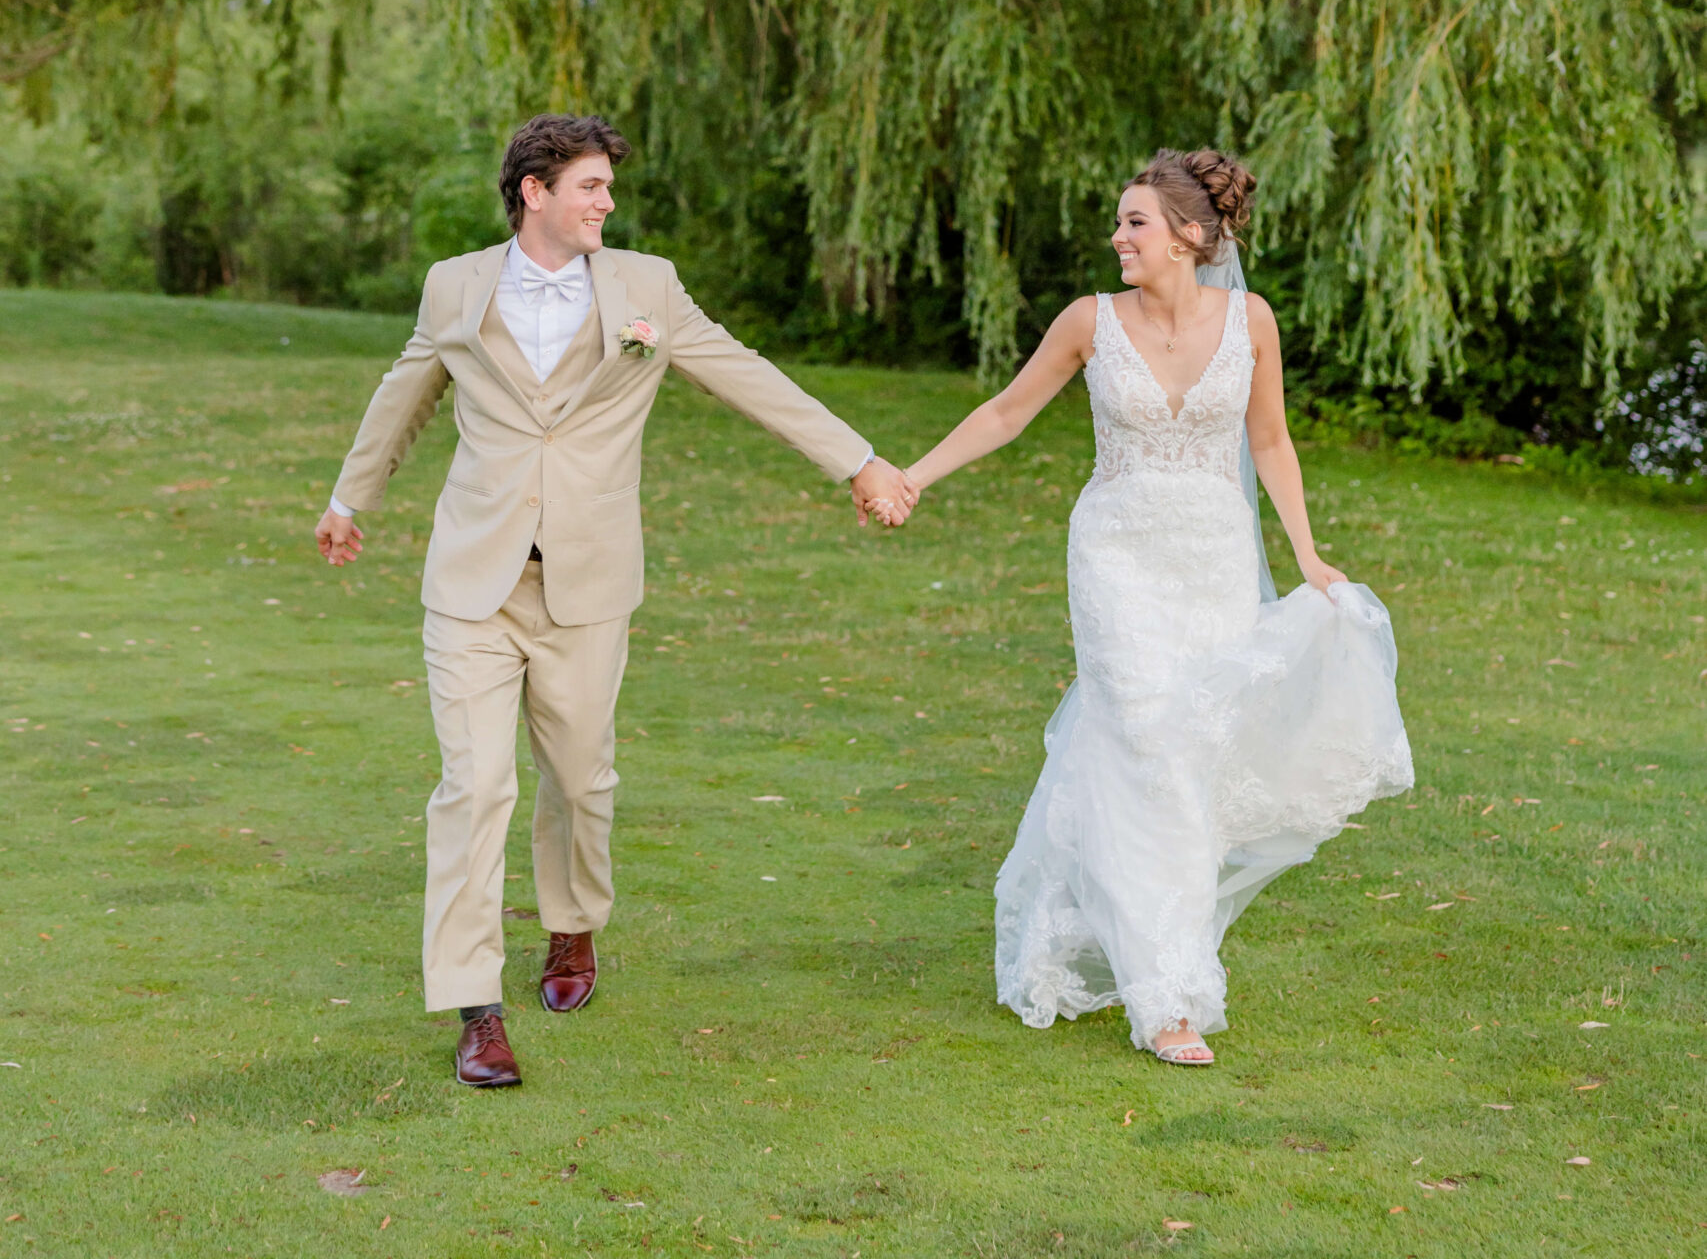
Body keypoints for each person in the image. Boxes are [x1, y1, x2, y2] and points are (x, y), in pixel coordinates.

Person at [315, 113, 916, 1087]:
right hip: (475, 579)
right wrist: (353, 495)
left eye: (607, 187)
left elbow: (746, 376)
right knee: (473, 788)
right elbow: (406, 390)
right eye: (590, 186)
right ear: (534, 192)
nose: (606, 202)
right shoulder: (455, 285)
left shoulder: (649, 289)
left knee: (581, 777)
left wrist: (856, 460)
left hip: (590, 582)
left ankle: (572, 924)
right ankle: (476, 1006)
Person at [904, 148, 1412, 1064]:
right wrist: (912, 476)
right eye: (1119, 221)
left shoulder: (1249, 319)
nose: (1117, 237)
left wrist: (1305, 552)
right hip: (1116, 556)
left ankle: (1122, 940)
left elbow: (1270, 440)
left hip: (1215, 557)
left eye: (1133, 222)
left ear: (1188, 235)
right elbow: (1006, 413)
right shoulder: (1088, 321)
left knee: (1185, 760)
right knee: (1141, 737)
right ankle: (1164, 997)